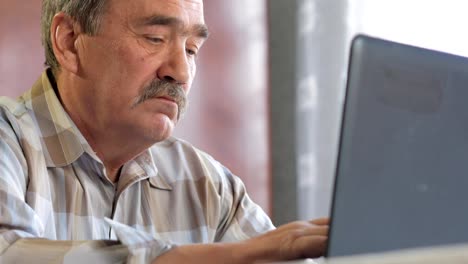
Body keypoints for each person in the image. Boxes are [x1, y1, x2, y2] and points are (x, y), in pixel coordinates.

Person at [0, 0, 329, 263]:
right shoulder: (10, 140)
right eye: (154, 38)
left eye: (191, 50)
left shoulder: (208, 186)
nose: (181, 72)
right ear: (70, 42)